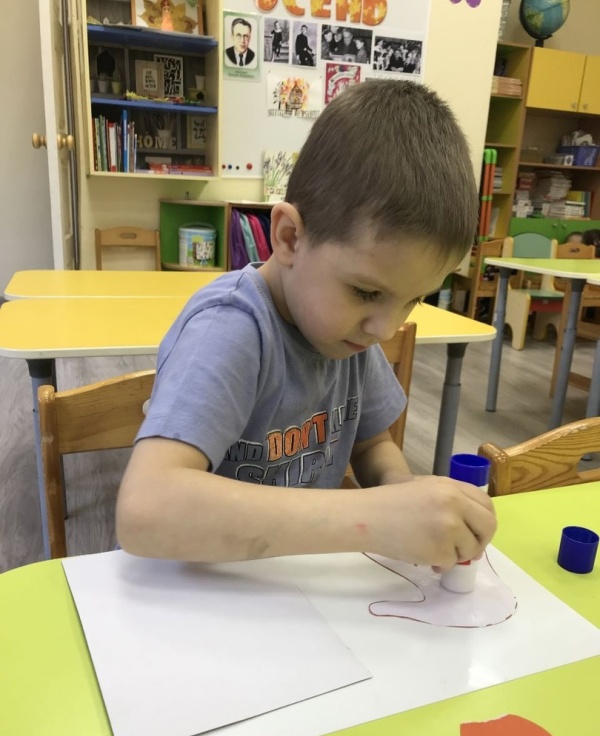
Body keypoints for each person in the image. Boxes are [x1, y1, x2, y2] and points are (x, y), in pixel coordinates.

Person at [117, 81, 497, 572]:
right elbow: (145, 510)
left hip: (292, 584)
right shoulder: (230, 329)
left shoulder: (347, 333)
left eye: (413, 300)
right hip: (205, 586)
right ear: (290, 237)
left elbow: (373, 443)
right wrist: (373, 519)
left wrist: (398, 490)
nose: (386, 329)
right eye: (366, 292)